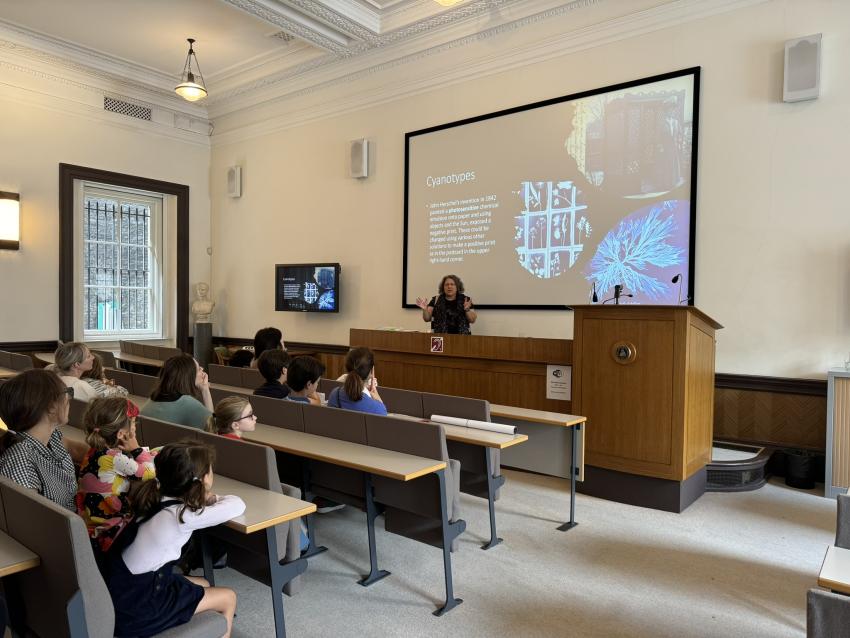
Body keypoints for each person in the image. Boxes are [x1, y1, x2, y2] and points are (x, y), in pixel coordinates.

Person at [104, 441, 242, 637]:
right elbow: (237, 505)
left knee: (203, 583)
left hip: (122, 594)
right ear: (202, 479)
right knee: (228, 597)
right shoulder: (182, 516)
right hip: (139, 609)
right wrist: (212, 498)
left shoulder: (157, 500)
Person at [76, 397, 157, 552]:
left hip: (91, 522)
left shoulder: (95, 452)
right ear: (121, 433)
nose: (135, 427)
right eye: (133, 422)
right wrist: (137, 449)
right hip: (110, 529)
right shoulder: (115, 458)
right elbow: (150, 472)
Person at [0, 369, 87, 510]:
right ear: (51, 407)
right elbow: (29, 520)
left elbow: (74, 448)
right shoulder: (20, 461)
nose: (69, 399)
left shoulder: (50, 436)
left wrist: (111, 457)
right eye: (67, 393)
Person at [140, 355, 213, 429]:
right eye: (198, 369)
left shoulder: (150, 401)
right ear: (188, 377)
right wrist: (205, 390)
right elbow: (213, 429)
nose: (202, 369)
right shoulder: (189, 404)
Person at [327, 347, 387, 416]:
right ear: (371, 371)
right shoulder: (377, 408)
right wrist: (379, 401)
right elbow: (383, 416)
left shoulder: (335, 394)